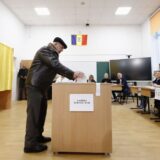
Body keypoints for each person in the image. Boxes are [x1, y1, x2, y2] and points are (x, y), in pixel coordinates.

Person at [24, 37, 84, 153]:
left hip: (42, 88)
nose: (61, 50)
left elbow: (55, 66)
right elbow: (55, 65)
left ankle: (38, 137)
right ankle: (30, 145)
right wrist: (72, 74)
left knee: (41, 113)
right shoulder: (45, 50)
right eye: (61, 47)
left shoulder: (52, 54)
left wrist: (70, 75)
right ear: (55, 44)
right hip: (34, 86)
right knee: (34, 115)